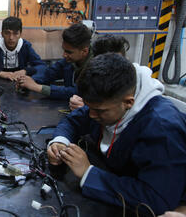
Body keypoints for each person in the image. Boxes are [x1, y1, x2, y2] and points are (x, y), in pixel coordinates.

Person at [47, 53, 186, 215]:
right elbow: (73, 121)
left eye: (99, 111)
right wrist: (60, 141)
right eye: (88, 107)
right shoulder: (109, 97)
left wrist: (88, 173)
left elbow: (156, 199)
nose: (91, 115)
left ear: (129, 102)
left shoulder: (162, 130)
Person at [17, 23, 92, 100]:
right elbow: (48, 74)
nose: (64, 55)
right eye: (64, 50)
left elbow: (76, 92)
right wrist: (28, 81)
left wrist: (37, 87)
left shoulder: (97, 70)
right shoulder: (68, 62)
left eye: (69, 52)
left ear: (84, 51)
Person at [69, 34, 130, 110]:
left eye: (117, 61)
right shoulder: (93, 75)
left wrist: (88, 109)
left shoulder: (137, 82)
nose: (114, 69)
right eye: (108, 64)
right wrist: (78, 101)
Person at [0, 16, 45, 81]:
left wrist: (25, 71)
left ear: (20, 34)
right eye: (7, 33)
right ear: (2, 34)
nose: (11, 38)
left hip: (21, 82)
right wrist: (0, 73)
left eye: (15, 33)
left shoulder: (25, 46)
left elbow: (42, 66)